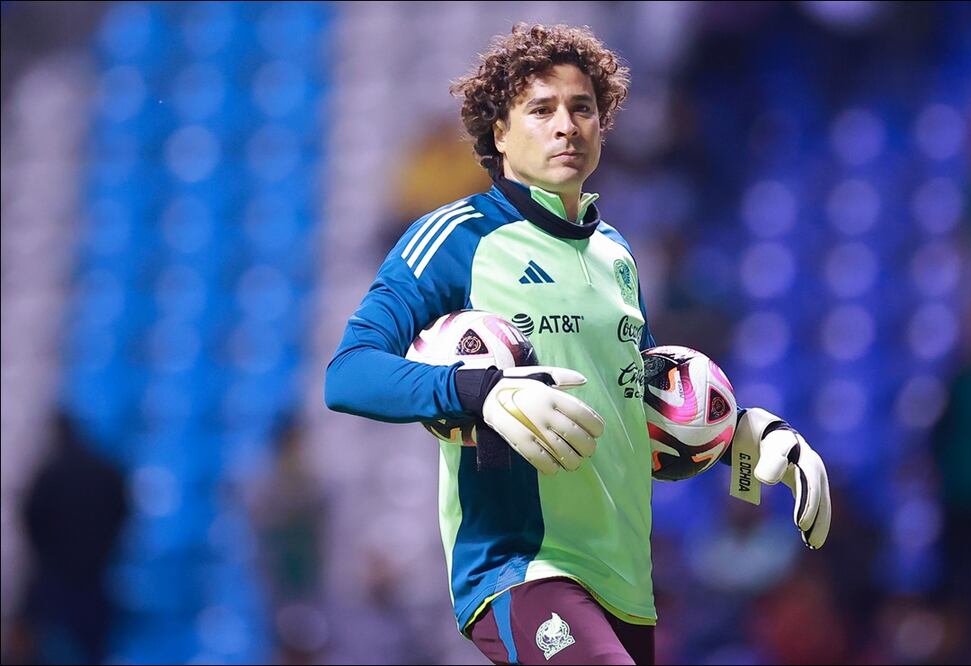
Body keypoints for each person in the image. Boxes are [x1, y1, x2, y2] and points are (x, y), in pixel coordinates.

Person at [325, 23, 831, 665]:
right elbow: (348, 375)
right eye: (541, 110)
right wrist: (479, 391)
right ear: (499, 131)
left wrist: (744, 436)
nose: (566, 125)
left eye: (582, 107)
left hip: (624, 583)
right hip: (519, 570)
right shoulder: (455, 238)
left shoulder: (617, 253)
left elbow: (641, 401)